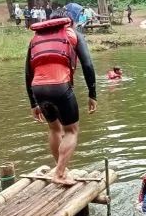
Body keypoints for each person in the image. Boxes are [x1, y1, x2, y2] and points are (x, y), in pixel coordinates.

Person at [25, 10, 97, 185]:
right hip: (60, 86)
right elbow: (87, 64)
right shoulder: (73, 34)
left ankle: (60, 169)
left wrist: (33, 102)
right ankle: (59, 173)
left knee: (54, 129)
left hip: (38, 89)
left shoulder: (35, 38)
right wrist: (92, 94)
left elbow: (28, 72)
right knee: (71, 131)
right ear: (68, 22)